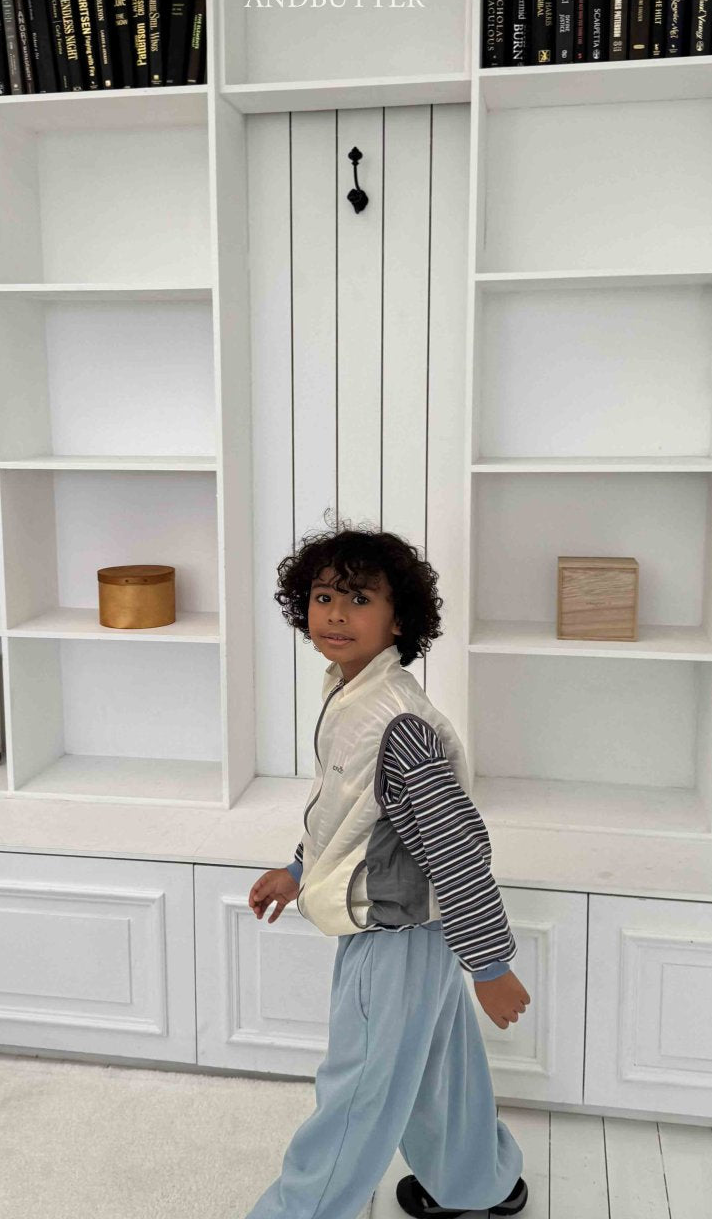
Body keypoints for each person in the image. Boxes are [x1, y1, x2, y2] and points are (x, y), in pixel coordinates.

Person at [245, 520, 530, 1219]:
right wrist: (297, 869)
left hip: (394, 934)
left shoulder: (397, 723)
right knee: (438, 1071)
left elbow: (456, 849)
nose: (336, 614)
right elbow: (349, 814)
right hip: (410, 931)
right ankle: (477, 1183)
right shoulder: (352, 696)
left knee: (358, 1096)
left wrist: (490, 965)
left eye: (360, 599)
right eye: (322, 597)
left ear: (399, 619)